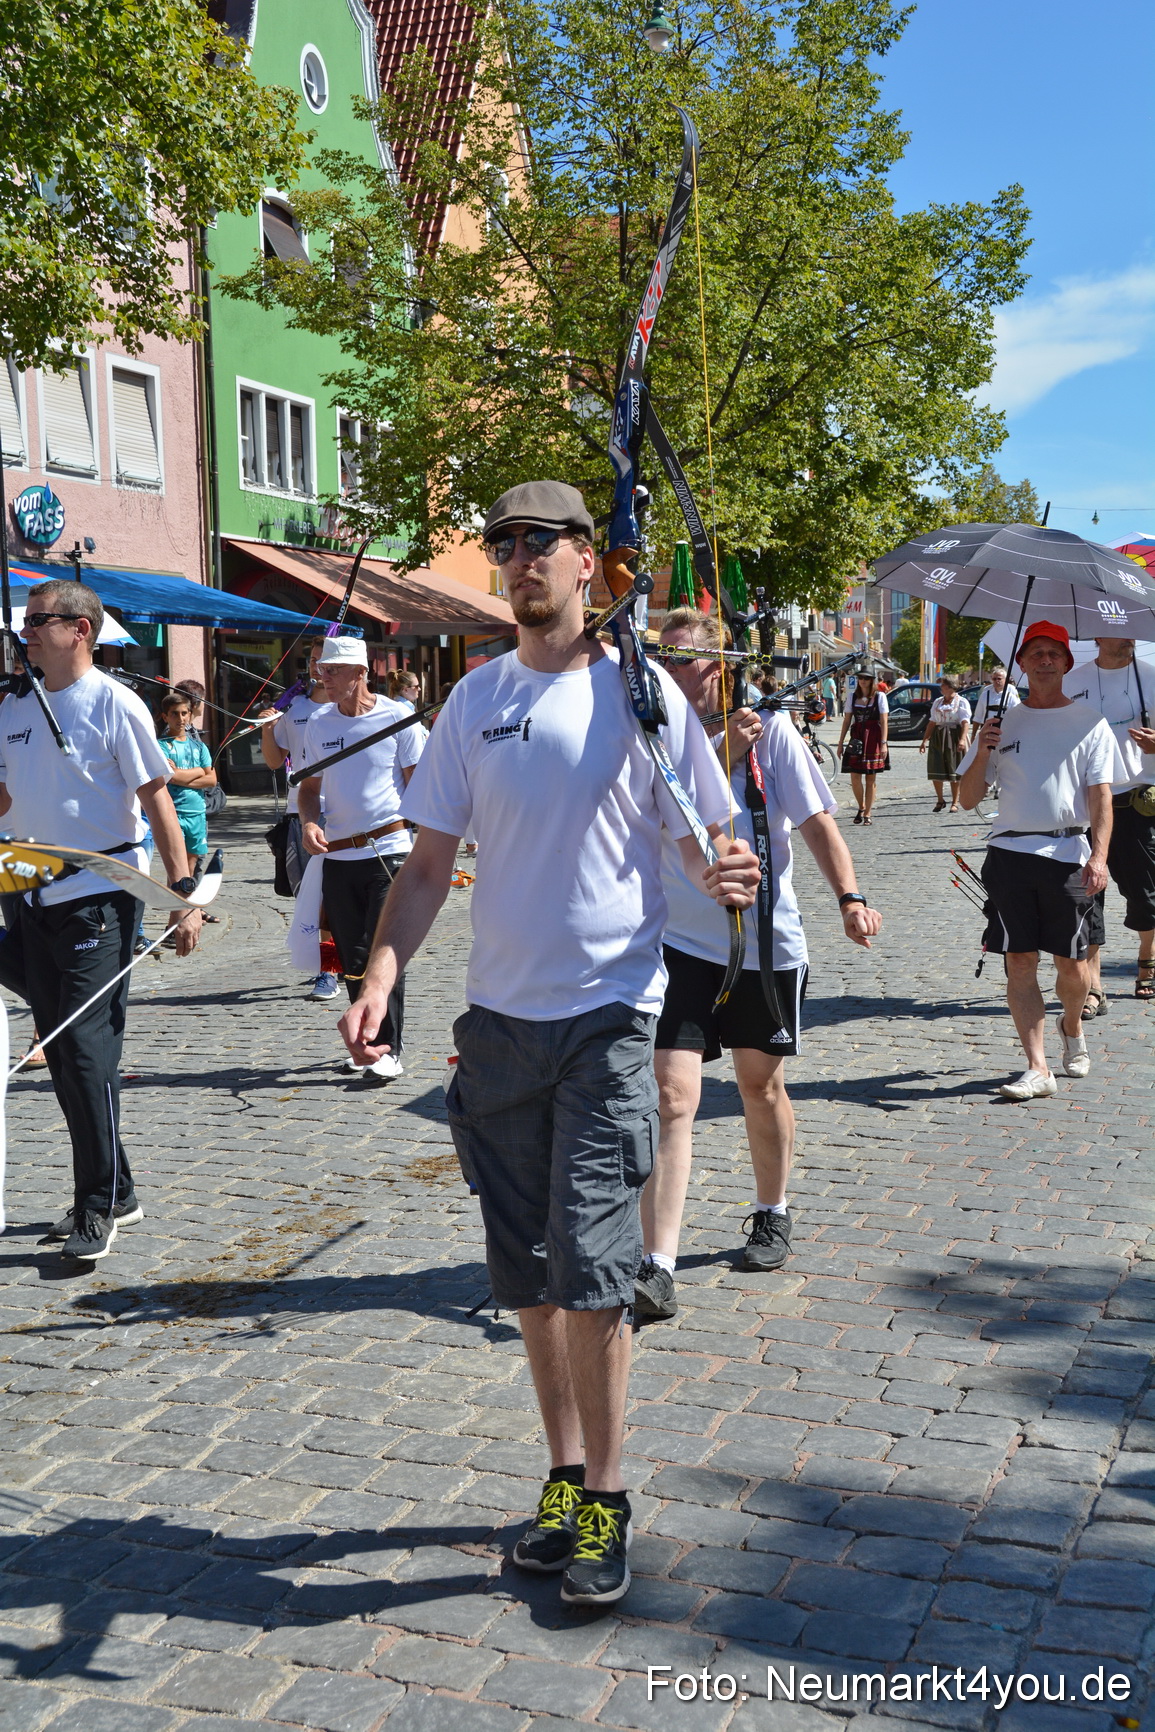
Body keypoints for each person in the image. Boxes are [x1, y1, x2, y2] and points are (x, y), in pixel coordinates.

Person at [339, 480, 758, 1606]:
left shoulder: (645, 697)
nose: (519, 560)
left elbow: (704, 842)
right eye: (503, 543)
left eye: (541, 543)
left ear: (590, 561)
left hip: (608, 1023)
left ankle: (610, 1498)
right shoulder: (474, 701)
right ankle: (565, 1479)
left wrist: (725, 871)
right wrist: (383, 971)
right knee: (527, 1282)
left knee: (594, 1275)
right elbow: (429, 866)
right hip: (497, 1033)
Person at [635, 611, 881, 1319]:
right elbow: (669, 816)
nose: (671, 674)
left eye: (684, 661)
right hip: (677, 945)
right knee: (671, 1095)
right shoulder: (652, 739)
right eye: (661, 660)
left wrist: (850, 897)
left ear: (719, 665)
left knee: (757, 1087)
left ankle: (771, 1208)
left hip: (763, 942)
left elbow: (814, 823)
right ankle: (657, 1263)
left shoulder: (767, 733)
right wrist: (714, 751)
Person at [0, 579, 201, 1260]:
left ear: (80, 629)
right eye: (24, 622)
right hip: (25, 892)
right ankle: (118, 1189)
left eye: (37, 621)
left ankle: (96, 1204)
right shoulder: (13, 705)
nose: (23, 631)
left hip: (99, 895)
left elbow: (158, 801)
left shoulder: (114, 703)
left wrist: (181, 892)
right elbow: (6, 799)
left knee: (83, 1050)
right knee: (62, 1053)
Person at [958, 622, 1122, 1102]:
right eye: (1036, 653)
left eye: (1054, 653)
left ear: (1068, 664)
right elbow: (968, 800)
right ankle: (1037, 1067)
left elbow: (1101, 800)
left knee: (1071, 967)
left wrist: (1100, 856)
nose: (1045, 661)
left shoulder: (1089, 723)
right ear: (1022, 664)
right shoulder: (1001, 722)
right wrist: (981, 751)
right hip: (1008, 854)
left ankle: (1072, 1028)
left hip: (1069, 856)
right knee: (1019, 960)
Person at [295, 635, 424, 1083]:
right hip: (339, 855)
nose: (323, 677)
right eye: (321, 670)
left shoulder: (397, 716)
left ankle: (387, 1045)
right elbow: (309, 790)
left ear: (360, 672)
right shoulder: (319, 723)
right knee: (350, 953)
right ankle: (364, 1041)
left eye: (332, 670)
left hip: (389, 850)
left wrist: (428, 846)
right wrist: (309, 824)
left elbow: (420, 785)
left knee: (381, 949)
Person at [1063, 638, 1155, 1011]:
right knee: (1087, 896)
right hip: (1085, 804)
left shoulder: (1151, 678)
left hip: (1135, 803)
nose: (1128, 638)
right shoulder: (1072, 681)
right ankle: (1094, 984)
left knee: (1146, 895)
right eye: (1119, 631)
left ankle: (1147, 958)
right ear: (1098, 637)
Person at [258, 641, 339, 998]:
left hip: (342, 812)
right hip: (300, 811)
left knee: (331, 898)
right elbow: (276, 761)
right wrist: (266, 729)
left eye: (324, 660)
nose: (317, 666)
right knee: (310, 897)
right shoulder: (296, 708)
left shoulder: (349, 709)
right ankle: (330, 963)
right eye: (312, 660)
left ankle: (331, 969)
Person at [157, 693, 216, 875]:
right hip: (174, 812)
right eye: (174, 713)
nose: (180, 718)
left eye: (184, 713)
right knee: (176, 867)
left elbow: (212, 779)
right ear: (165, 717)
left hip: (197, 812)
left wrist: (182, 775)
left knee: (191, 864)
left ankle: (188, 902)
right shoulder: (160, 746)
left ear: (190, 715)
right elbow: (170, 777)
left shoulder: (199, 747)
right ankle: (176, 902)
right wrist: (199, 771)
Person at [836, 665, 889, 824]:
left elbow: (884, 721)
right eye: (860, 678)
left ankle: (867, 813)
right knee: (854, 776)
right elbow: (846, 721)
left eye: (866, 678)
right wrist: (840, 743)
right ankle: (861, 806)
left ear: (872, 680)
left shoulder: (880, 697)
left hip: (873, 738)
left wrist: (884, 743)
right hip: (857, 737)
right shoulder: (852, 697)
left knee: (871, 778)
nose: (863, 681)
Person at [919, 675, 972, 811]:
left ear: (950, 687)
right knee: (936, 767)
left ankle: (955, 802)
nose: (941, 687)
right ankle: (940, 800)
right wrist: (925, 740)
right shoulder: (938, 702)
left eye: (943, 685)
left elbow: (965, 722)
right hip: (938, 736)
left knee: (954, 770)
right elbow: (932, 722)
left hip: (954, 735)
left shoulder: (961, 702)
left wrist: (962, 739)